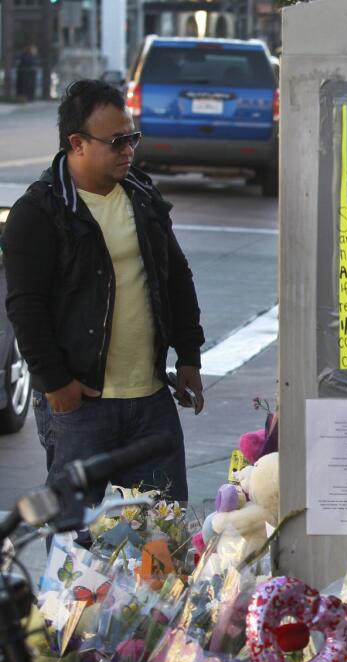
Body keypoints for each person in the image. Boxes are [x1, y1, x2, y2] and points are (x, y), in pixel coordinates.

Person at [2, 80, 204, 501]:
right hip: (81, 406)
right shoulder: (38, 213)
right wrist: (57, 382)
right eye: (116, 141)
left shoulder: (142, 197)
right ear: (76, 143)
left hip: (151, 401)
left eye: (133, 137)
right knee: (80, 547)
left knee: (163, 537)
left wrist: (188, 355)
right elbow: (26, 307)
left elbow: (177, 277)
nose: (129, 149)